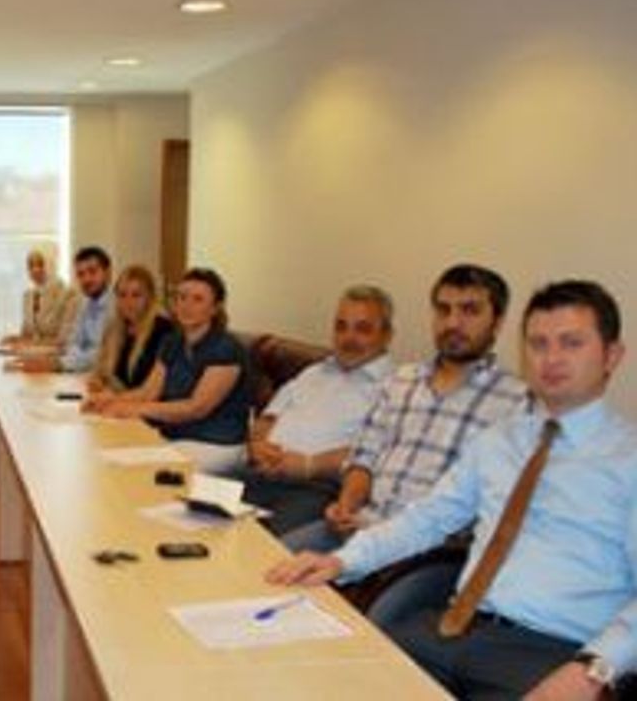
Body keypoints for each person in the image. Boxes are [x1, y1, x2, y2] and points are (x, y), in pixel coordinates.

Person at [267, 280, 637, 701]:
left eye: (571, 343)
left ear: (612, 355)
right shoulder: (499, 441)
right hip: (453, 629)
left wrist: (595, 668)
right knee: (320, 679)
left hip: (551, 654)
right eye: (538, 344)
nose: (551, 358)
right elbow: (427, 518)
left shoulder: (628, 461)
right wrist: (341, 560)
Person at [282, 264, 527, 555]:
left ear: (497, 322)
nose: (453, 323)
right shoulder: (401, 380)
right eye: (443, 310)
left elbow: (495, 504)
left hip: (429, 550)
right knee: (266, 566)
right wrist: (347, 505)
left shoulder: (516, 402)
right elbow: (364, 457)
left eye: (470, 311)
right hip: (360, 527)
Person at [240, 285, 395, 534]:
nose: (348, 338)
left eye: (362, 329)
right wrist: (257, 445)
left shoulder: (394, 388)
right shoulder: (313, 372)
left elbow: (376, 452)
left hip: (316, 488)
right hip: (261, 473)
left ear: (387, 335)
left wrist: (309, 464)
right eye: (341, 326)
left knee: (261, 545)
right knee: (191, 506)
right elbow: (267, 418)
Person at [84, 267, 251, 473]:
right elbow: (148, 392)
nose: (186, 305)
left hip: (215, 443)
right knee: (109, 454)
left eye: (198, 299)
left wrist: (135, 409)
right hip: (176, 436)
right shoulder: (172, 342)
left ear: (215, 308)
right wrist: (110, 401)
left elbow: (195, 408)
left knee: (138, 472)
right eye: (181, 297)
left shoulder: (226, 348)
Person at [12, 246, 113, 373]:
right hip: (80, 372)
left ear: (108, 272)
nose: (86, 279)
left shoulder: (116, 306)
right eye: (81, 274)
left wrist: (58, 364)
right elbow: (73, 344)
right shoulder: (86, 303)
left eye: (92, 272)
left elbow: (101, 352)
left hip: (104, 377)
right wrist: (54, 362)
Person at [90, 264, 174, 390]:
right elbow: (101, 372)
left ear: (150, 297)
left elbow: (147, 386)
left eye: (136, 295)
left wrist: (113, 390)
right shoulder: (115, 327)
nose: (128, 302)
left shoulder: (162, 330)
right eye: (122, 295)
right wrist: (99, 380)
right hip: (116, 399)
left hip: (143, 401)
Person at [2, 247, 79, 348]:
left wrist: (31, 344)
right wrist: (14, 339)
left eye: (40, 264)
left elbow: (64, 340)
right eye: (31, 266)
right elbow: (27, 335)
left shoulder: (68, 294)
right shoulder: (28, 296)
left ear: (51, 264)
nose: (35, 270)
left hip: (58, 356)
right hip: (31, 355)